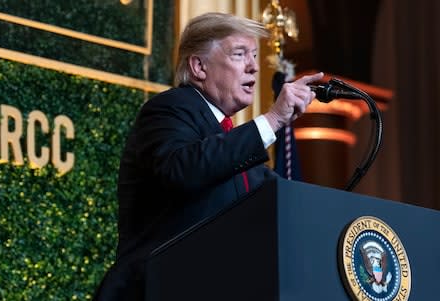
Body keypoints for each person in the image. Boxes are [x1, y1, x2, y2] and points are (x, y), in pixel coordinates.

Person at [93, 12, 323, 300]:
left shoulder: (233, 145)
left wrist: (323, 217)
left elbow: (274, 197)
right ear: (199, 66)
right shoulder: (169, 108)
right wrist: (274, 119)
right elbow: (183, 169)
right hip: (155, 290)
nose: (253, 67)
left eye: (254, 55)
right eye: (240, 54)